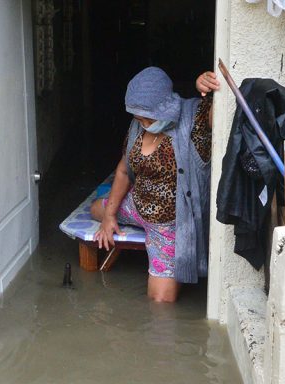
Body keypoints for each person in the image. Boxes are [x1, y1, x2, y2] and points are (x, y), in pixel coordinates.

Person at [91, 67, 220, 302]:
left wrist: (206, 87)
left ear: (166, 105)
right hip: (136, 205)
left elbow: (221, 111)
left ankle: (153, 238)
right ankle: (125, 218)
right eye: (139, 117)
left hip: (169, 224)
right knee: (96, 210)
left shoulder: (194, 121)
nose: (144, 123)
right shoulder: (136, 127)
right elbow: (123, 170)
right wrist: (110, 215)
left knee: (160, 303)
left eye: (148, 117)